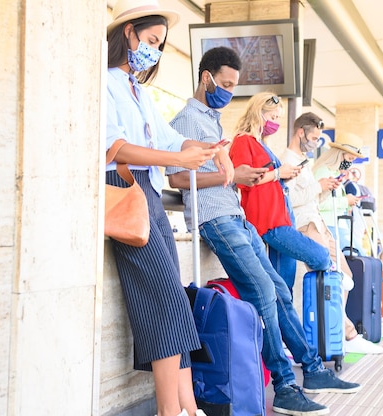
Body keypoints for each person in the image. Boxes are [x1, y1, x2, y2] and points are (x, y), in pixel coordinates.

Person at [167, 47, 360, 416]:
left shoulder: (211, 121)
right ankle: (285, 386)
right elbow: (177, 177)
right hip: (216, 220)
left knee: (280, 292)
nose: (227, 92)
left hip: (237, 216)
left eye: (233, 86)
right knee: (263, 291)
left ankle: (313, 370)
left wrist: (234, 179)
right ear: (206, 78)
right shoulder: (187, 120)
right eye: (224, 83)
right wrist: (231, 176)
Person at [105, 2, 234, 416]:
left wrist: (207, 150)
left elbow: (168, 140)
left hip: (149, 193)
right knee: (164, 302)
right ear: (128, 33)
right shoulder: (103, 83)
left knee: (176, 304)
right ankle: (170, 411)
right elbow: (116, 148)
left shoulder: (139, 91)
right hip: (124, 186)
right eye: (152, 41)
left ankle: (187, 409)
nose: (154, 51)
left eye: (160, 45)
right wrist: (178, 161)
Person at [281, 112, 383, 354]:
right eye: (315, 137)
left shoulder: (304, 162)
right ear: (301, 132)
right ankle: (347, 334)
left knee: (345, 276)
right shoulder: (289, 161)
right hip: (307, 226)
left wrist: (327, 190)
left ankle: (338, 331)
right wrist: (321, 187)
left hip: (319, 225)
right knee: (332, 277)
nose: (317, 142)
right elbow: (289, 198)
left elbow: (313, 199)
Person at [227, 92, 331, 293]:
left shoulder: (261, 145)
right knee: (322, 257)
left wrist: (284, 176)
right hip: (269, 222)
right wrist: (277, 173)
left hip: (282, 219)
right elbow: (243, 179)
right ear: (259, 113)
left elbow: (268, 178)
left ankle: (283, 324)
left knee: (284, 287)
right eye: (273, 117)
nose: (276, 123)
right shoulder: (243, 141)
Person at [312, 132, 364, 251]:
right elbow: (318, 203)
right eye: (350, 158)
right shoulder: (323, 172)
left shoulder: (335, 173)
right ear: (339, 154)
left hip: (337, 225)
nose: (350, 163)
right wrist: (346, 201)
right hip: (329, 226)